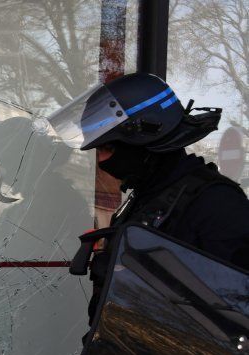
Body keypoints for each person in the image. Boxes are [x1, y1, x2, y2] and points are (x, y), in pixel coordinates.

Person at [49, 72, 249, 324]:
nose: (101, 161)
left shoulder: (216, 203)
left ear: (148, 136)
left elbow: (234, 315)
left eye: (109, 148)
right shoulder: (147, 198)